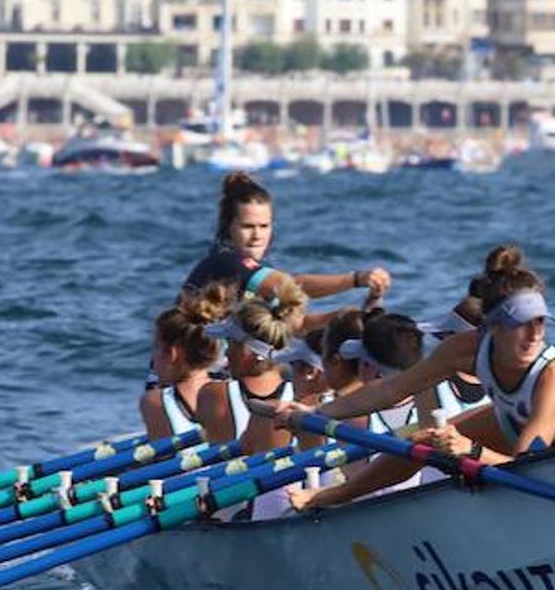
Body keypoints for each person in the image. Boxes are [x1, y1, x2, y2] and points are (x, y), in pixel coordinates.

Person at [283, 245, 555, 510]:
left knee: (454, 444)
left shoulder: (554, 375)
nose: (534, 335)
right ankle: (328, 497)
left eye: (539, 322)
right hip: (530, 437)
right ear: (492, 327)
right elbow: (390, 391)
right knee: (425, 441)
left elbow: (528, 470)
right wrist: (315, 415)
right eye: (520, 324)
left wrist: (471, 451)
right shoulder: (464, 349)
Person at [181, 171, 392, 306]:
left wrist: (363, 310)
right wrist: (355, 279)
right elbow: (291, 286)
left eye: (264, 226)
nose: (257, 236)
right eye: (247, 227)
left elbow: (300, 327)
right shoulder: (225, 263)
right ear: (228, 226)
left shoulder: (257, 274)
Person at [195, 279, 309, 454]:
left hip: (232, 481)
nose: (226, 354)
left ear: (247, 350)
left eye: (229, 343)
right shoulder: (304, 396)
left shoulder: (213, 394)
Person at [139, 284, 232, 439]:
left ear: (173, 353)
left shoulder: (155, 402)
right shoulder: (231, 391)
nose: (153, 358)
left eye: (156, 348)